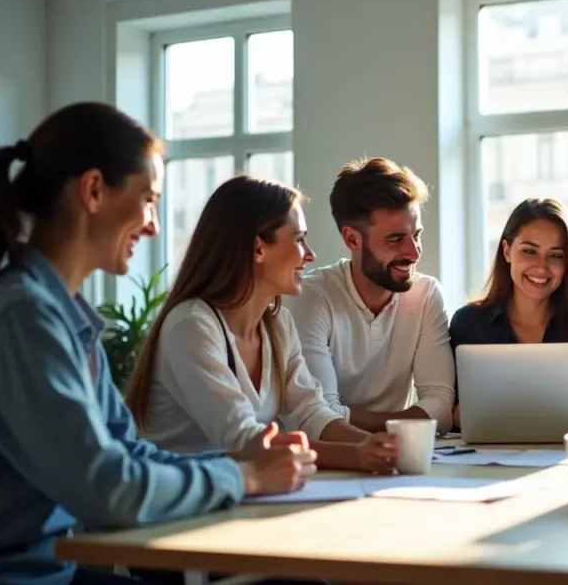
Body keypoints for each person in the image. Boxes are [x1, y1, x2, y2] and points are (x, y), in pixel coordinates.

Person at [0, 103, 316, 585]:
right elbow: (107, 488)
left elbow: (127, 451)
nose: (154, 224)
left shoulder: (64, 317)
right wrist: (245, 477)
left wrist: (239, 462)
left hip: (52, 570)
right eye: (148, 199)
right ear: (93, 190)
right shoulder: (23, 318)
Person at [125, 175, 399, 474]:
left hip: (239, 498)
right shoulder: (191, 326)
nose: (310, 254)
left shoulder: (277, 323)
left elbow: (310, 411)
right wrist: (356, 457)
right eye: (298, 239)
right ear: (258, 248)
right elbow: (243, 440)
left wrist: (373, 446)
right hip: (179, 509)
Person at [285, 158, 454, 433]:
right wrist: (410, 423)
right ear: (352, 240)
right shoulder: (312, 297)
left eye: (417, 235)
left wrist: (356, 421)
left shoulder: (426, 294)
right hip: (325, 464)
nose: (414, 252)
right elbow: (320, 414)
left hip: (393, 460)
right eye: (396, 239)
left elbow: (441, 406)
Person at [450, 198, 568, 428]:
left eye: (556, 255)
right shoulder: (468, 324)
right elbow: (448, 412)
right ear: (506, 251)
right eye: (529, 251)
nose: (541, 267)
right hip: (485, 457)